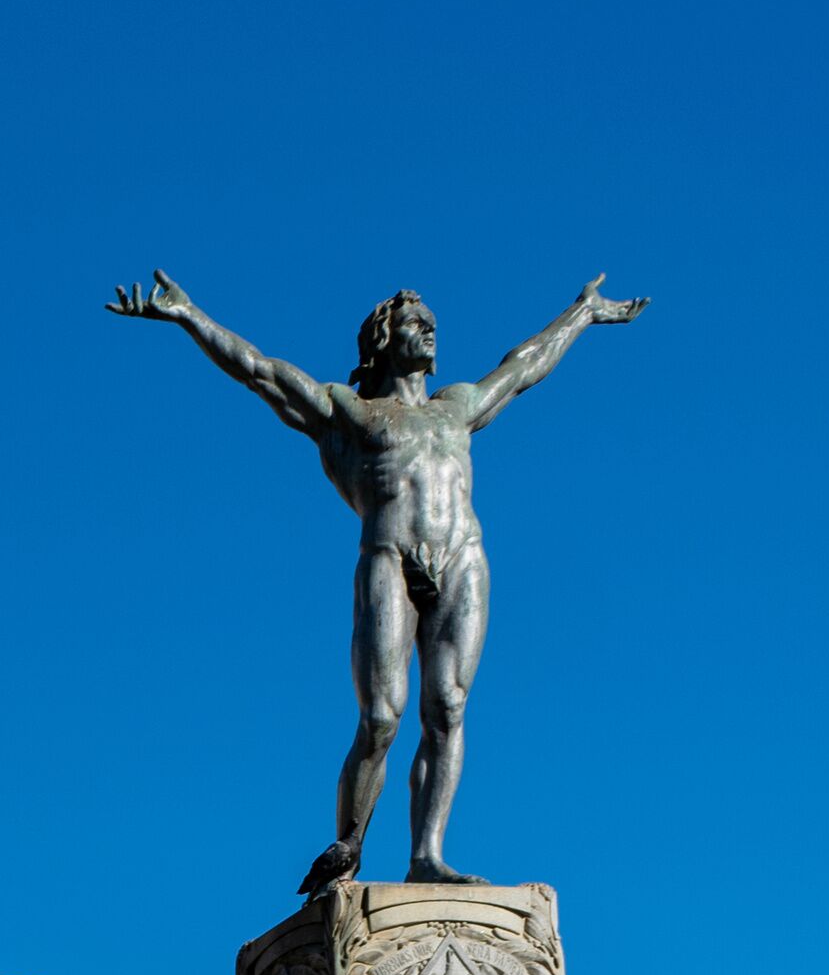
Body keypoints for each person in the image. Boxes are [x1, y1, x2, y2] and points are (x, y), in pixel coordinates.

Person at [108, 269, 645, 891]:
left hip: (463, 556)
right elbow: (261, 370)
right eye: (417, 326)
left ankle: (427, 855)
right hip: (390, 556)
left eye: (434, 327)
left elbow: (524, 366)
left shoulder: (458, 406)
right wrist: (191, 316)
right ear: (385, 339)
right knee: (383, 718)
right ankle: (351, 845)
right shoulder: (352, 411)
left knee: (446, 708)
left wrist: (582, 312)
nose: (431, 335)